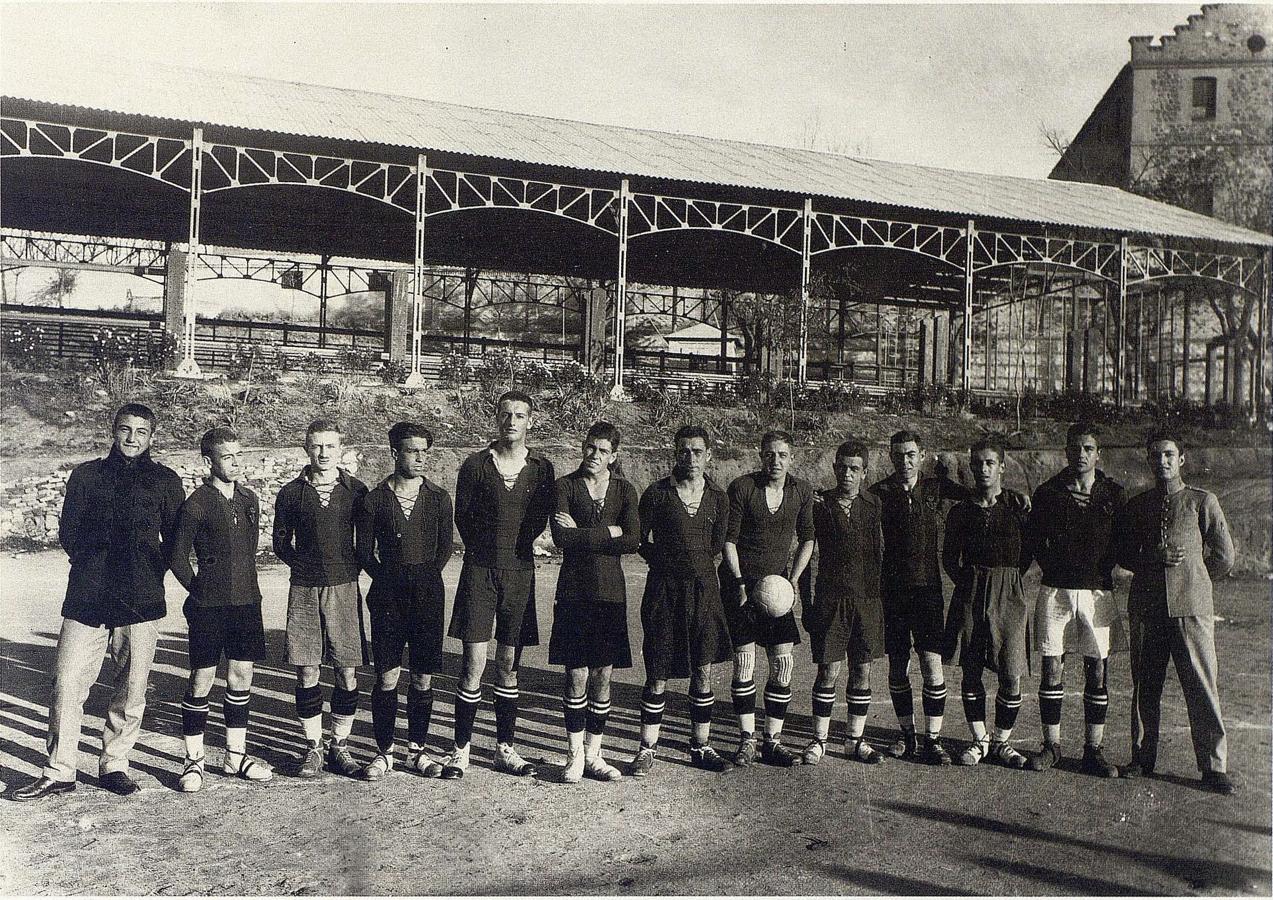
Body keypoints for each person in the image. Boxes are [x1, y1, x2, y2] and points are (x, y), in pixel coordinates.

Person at [10, 403, 185, 801]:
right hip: (88, 594)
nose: (132, 438)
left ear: (151, 437)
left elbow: (175, 542)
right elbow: (69, 532)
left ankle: (115, 763)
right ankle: (60, 770)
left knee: (132, 686)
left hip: (140, 599)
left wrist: (147, 572)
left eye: (141, 432)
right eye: (125, 429)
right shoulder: (86, 476)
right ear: (113, 430)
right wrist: (93, 566)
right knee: (67, 682)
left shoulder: (165, 481)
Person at [1116, 428, 1236, 794]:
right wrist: (1150, 558)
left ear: (1181, 459)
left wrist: (1196, 580)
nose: (1162, 461)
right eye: (1155, 455)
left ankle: (1214, 766)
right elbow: (1122, 554)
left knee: (1201, 685)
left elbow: (1224, 556)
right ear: (1148, 460)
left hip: (1191, 609)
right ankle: (1141, 757)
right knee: (1145, 686)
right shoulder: (1138, 506)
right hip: (1148, 610)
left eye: (1169, 454)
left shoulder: (1202, 502)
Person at [445, 390, 556, 778]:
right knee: (473, 663)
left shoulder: (542, 469)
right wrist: (489, 550)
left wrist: (514, 549)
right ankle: (460, 749)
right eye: (506, 414)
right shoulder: (475, 465)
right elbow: (464, 516)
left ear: (530, 421)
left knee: (508, 664)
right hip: (480, 570)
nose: (512, 421)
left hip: (520, 572)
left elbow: (540, 518)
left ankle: (504, 748)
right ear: (497, 418)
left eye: (520, 415)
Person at [169, 427, 272, 791]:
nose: (235, 462)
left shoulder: (250, 499)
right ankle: (193, 761)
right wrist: (201, 590)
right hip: (208, 607)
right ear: (208, 461)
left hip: (247, 603)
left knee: (242, 677)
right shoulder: (195, 503)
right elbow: (177, 557)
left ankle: (234, 755)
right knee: (201, 680)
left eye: (237, 455)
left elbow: (249, 550)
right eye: (227, 456)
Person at [1021, 422, 1124, 777]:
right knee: (1052, 668)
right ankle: (1051, 747)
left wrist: (1101, 570)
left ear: (1098, 454)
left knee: (1097, 670)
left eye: (1088, 449)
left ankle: (1093, 751)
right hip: (1056, 591)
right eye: (1075, 448)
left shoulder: (1112, 494)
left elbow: (1121, 543)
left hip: (1097, 592)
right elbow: (1033, 541)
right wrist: (1056, 566)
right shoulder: (1049, 492)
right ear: (1065, 451)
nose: (1081, 455)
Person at [631, 424, 734, 775]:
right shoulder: (657, 494)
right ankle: (647, 748)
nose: (690, 457)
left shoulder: (719, 498)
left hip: (704, 592)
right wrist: (664, 561)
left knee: (702, 670)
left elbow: (717, 546)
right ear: (675, 454)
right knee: (657, 671)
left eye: (697, 451)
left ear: (708, 456)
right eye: (684, 451)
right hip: (663, 591)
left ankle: (700, 745)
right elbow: (638, 538)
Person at [355, 422, 454, 781]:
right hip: (387, 597)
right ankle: (385, 753)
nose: (419, 457)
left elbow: (445, 548)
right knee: (387, 676)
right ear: (395, 452)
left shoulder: (439, 497)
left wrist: (424, 576)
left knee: (423, 677)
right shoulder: (375, 499)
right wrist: (391, 579)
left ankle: (418, 751)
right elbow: (364, 553)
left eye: (424, 451)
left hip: (428, 595)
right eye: (412, 450)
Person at [273, 419, 369, 778]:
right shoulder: (291, 493)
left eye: (330, 446)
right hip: (304, 588)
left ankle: (339, 745)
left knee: (346, 668)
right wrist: (305, 566)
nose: (324, 453)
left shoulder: (356, 491)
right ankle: (313, 746)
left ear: (341, 449)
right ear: (306, 449)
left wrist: (347, 568)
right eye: (317, 446)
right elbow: (281, 543)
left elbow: (366, 542)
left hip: (344, 587)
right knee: (307, 668)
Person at [548, 421, 640, 784]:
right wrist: (608, 533)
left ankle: (594, 754)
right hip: (573, 590)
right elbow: (560, 538)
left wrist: (585, 534)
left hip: (610, 593)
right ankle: (572, 756)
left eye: (603, 451)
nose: (594, 455)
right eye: (590, 447)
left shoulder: (624, 490)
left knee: (603, 674)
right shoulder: (565, 486)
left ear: (613, 456)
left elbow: (632, 541)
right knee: (576, 674)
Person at [867, 430, 966, 766]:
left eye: (910, 454)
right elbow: (851, 502)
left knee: (931, 664)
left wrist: (1011, 495)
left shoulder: (935, 487)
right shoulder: (880, 493)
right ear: (890, 457)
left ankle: (933, 740)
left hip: (928, 591)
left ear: (922, 455)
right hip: (892, 593)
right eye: (898, 455)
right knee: (898, 666)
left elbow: (980, 495)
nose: (904, 461)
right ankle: (907, 735)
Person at [722, 430, 816, 768]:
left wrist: (791, 580)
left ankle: (772, 740)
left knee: (783, 664)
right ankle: (747, 739)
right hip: (744, 587)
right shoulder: (743, 487)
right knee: (745, 662)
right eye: (769, 454)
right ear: (761, 456)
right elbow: (729, 541)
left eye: (782, 455)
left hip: (778, 590)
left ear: (792, 458)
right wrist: (738, 582)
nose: (775, 461)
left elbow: (808, 538)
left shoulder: (801, 491)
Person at [942, 437, 1032, 768]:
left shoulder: (1017, 508)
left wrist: (1006, 580)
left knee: (1011, 673)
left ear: (1002, 467)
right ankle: (979, 741)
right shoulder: (960, 512)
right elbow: (950, 559)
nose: (982, 469)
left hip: (1008, 591)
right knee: (971, 670)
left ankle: (1002, 743)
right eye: (977, 463)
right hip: (970, 591)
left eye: (989, 463)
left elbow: (1028, 553)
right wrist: (972, 582)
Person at [802, 439, 887, 765]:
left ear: (864, 472)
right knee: (828, 672)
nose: (847, 474)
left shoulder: (874, 504)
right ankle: (819, 740)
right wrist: (807, 603)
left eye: (855, 469)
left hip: (866, 602)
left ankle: (854, 740)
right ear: (834, 467)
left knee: (861, 672)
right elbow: (809, 553)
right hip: (830, 600)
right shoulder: (819, 504)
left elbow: (883, 555)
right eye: (842, 467)